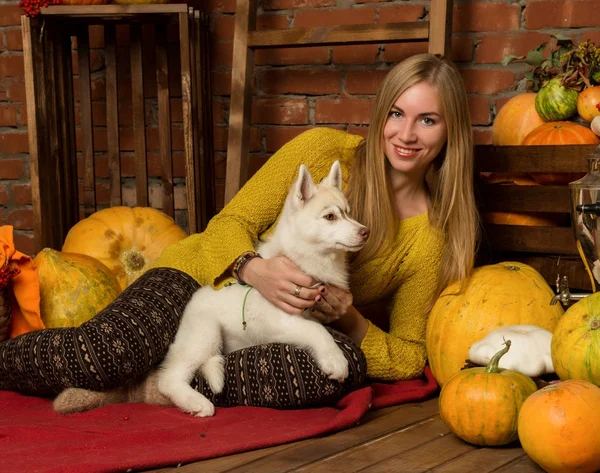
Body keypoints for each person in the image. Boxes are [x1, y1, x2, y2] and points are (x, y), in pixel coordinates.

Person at [0, 53, 478, 409]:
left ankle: (150, 384)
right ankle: (59, 365)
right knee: (104, 355)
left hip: (267, 335)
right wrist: (253, 268)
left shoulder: (431, 238)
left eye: (427, 120)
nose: (407, 134)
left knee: (341, 370)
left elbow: (409, 357)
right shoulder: (322, 152)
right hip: (198, 280)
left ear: (449, 130)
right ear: (381, 115)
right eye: (397, 113)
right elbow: (230, 222)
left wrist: (349, 320)